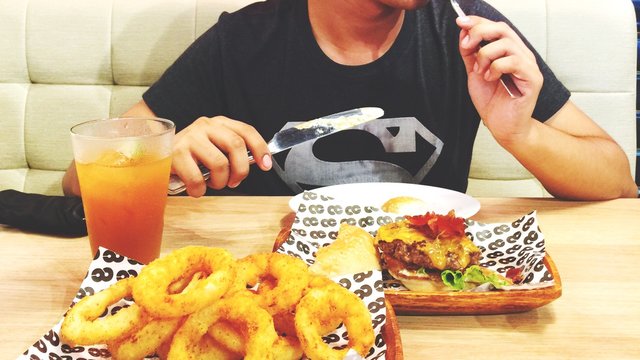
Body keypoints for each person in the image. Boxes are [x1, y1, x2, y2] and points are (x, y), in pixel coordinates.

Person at [62, 0, 638, 200]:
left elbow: (616, 179)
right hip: (279, 294)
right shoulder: (244, 40)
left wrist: (520, 132)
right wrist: (165, 154)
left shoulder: (468, 33)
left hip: (427, 297)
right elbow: (77, 181)